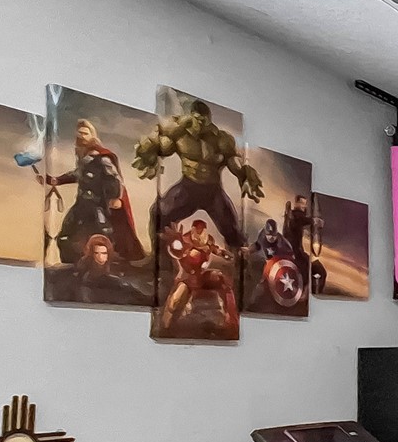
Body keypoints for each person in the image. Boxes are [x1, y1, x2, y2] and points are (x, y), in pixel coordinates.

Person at [133, 98, 261, 246]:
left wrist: (244, 176)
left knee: (233, 232)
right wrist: (148, 156)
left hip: (213, 192)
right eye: (197, 120)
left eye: (204, 121)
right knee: (157, 213)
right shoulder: (180, 135)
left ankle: (240, 259)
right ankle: (156, 255)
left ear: (209, 120)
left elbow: (234, 162)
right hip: (188, 188)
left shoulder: (221, 139)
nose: (200, 124)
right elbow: (159, 148)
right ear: (191, 117)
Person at [46, 119, 146, 265]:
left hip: (97, 205)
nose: (81, 136)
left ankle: (108, 264)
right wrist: (56, 180)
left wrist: (116, 197)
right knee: (67, 233)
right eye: (79, 133)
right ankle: (73, 264)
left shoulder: (102, 158)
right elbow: (77, 174)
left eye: (85, 133)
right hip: (81, 204)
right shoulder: (84, 158)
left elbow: (114, 178)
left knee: (103, 232)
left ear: (92, 136)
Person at [161, 218, 237, 333]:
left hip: (202, 276)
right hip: (187, 279)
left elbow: (214, 248)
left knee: (222, 280)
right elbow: (176, 251)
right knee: (175, 301)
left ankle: (231, 321)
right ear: (192, 231)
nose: (200, 237)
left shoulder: (208, 240)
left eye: (202, 232)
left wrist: (223, 253)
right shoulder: (184, 241)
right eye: (197, 232)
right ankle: (166, 326)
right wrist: (176, 244)